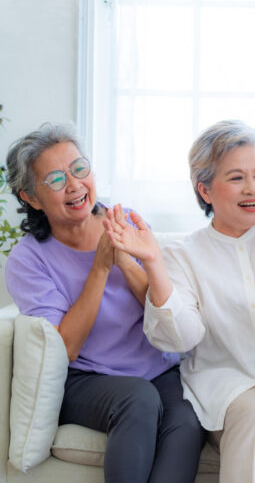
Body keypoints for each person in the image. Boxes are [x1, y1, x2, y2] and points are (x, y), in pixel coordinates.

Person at [104, 119, 255, 483]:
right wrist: (153, 263)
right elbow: (179, 338)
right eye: (236, 178)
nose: (253, 189)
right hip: (231, 383)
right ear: (205, 190)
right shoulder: (182, 255)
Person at [4, 122, 205, 483]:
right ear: (31, 198)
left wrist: (127, 258)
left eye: (79, 168)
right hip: (85, 377)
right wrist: (100, 266)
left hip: (157, 368)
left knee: (188, 419)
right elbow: (64, 347)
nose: (74, 184)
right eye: (55, 179)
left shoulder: (123, 221)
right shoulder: (27, 260)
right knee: (138, 399)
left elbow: (162, 312)